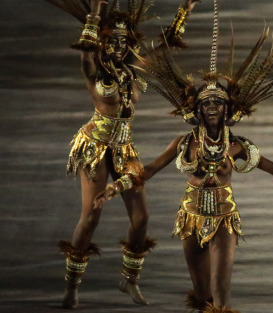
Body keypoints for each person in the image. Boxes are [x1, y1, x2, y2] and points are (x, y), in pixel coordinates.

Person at [96, 1, 273, 312]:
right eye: (206, 101)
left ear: (228, 109)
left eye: (218, 101)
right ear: (196, 109)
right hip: (190, 219)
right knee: (202, 299)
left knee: (222, 296)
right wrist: (115, 187)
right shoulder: (183, 142)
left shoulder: (237, 145)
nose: (212, 105)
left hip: (224, 220)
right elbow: (147, 171)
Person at [47, 0, 198, 308]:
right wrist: (95, 12)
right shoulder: (93, 70)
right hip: (96, 147)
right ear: (102, 43)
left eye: (122, 41)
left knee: (141, 218)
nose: (117, 46)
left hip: (124, 148)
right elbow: (86, 48)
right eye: (111, 41)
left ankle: (129, 281)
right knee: (90, 217)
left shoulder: (133, 70)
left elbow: (165, 46)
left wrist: (185, 10)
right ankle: (72, 288)